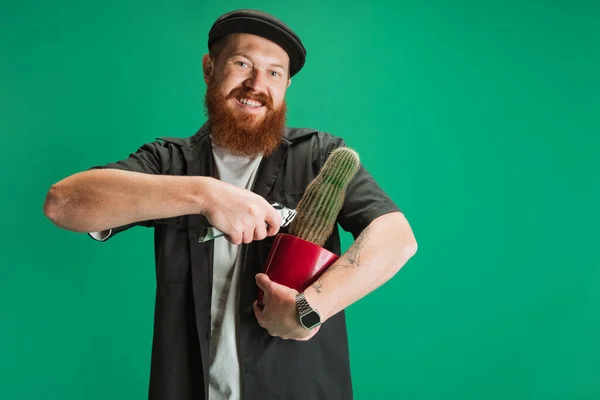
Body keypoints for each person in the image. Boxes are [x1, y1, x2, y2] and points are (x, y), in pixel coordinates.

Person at [43, 8, 418, 400]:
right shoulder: (168, 161)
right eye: (242, 63)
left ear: (287, 84)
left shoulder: (320, 156)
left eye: (274, 73)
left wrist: (308, 309)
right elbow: (63, 203)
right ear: (210, 69)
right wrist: (205, 195)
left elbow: (396, 237)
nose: (257, 84)